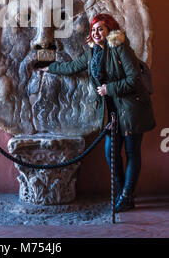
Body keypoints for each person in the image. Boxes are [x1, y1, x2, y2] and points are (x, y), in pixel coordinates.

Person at [38, 13, 156, 212]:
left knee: (131, 152)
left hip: (131, 109)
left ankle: (127, 196)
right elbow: (73, 67)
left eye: (100, 28)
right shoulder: (93, 53)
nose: (96, 33)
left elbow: (134, 78)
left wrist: (108, 89)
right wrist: (49, 67)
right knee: (111, 153)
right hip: (110, 111)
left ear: (110, 30)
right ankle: (120, 192)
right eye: (93, 30)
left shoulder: (120, 48)